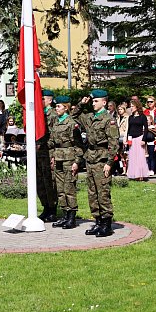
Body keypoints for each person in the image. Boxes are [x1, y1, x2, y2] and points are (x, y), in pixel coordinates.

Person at [72, 89, 119, 237]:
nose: (93, 103)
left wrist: (109, 163)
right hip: (91, 158)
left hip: (102, 159)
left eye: (96, 101)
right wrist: (81, 103)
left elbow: (114, 143)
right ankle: (98, 222)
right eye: (92, 101)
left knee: (103, 192)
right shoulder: (90, 117)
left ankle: (107, 224)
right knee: (92, 193)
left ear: (104, 102)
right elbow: (74, 115)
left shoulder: (108, 119)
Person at [48, 96, 84, 229]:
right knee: (60, 189)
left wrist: (77, 161)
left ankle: (72, 217)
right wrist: (52, 156)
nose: (56, 108)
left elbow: (78, 144)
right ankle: (64, 215)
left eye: (59, 106)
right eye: (56, 106)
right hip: (58, 158)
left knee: (69, 188)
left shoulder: (71, 123)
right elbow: (53, 142)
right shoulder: (56, 122)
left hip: (69, 158)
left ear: (66, 107)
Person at [36, 90, 58, 222]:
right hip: (40, 152)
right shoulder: (39, 114)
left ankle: (52, 209)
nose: (41, 101)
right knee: (41, 182)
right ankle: (45, 207)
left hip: (49, 151)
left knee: (50, 182)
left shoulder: (53, 115)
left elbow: (55, 135)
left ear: (49, 100)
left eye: (43, 99)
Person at [125, 98, 149, 181]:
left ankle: (141, 174)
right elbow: (129, 129)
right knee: (132, 157)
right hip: (132, 139)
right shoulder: (130, 117)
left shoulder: (142, 117)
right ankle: (134, 174)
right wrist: (127, 139)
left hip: (139, 138)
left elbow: (146, 129)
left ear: (137, 107)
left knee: (140, 157)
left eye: (132, 106)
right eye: (130, 106)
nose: (131, 108)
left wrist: (143, 139)